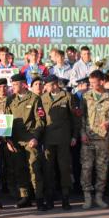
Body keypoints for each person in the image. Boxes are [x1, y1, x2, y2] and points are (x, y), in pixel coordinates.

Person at [80, 70, 109, 209]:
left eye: (93, 82)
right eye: (90, 83)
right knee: (86, 168)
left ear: (102, 82)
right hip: (88, 138)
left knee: (102, 169)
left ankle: (99, 196)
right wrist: (82, 133)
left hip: (103, 139)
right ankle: (87, 197)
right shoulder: (86, 96)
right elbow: (81, 117)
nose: (91, 85)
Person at [7, 73, 46, 210]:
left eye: (15, 84)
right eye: (12, 84)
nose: (12, 87)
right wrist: (8, 140)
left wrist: (35, 137)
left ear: (23, 84)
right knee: (20, 170)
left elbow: (41, 120)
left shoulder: (34, 99)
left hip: (30, 140)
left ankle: (39, 198)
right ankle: (25, 197)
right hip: (16, 141)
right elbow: (7, 120)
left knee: (34, 169)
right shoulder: (10, 100)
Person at [41, 75, 79, 210]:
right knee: (48, 169)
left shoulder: (67, 96)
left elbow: (75, 118)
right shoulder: (43, 98)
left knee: (64, 168)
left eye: (48, 85)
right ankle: (49, 198)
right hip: (48, 138)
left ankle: (65, 198)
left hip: (63, 138)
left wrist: (74, 136)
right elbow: (40, 119)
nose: (45, 87)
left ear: (55, 85)